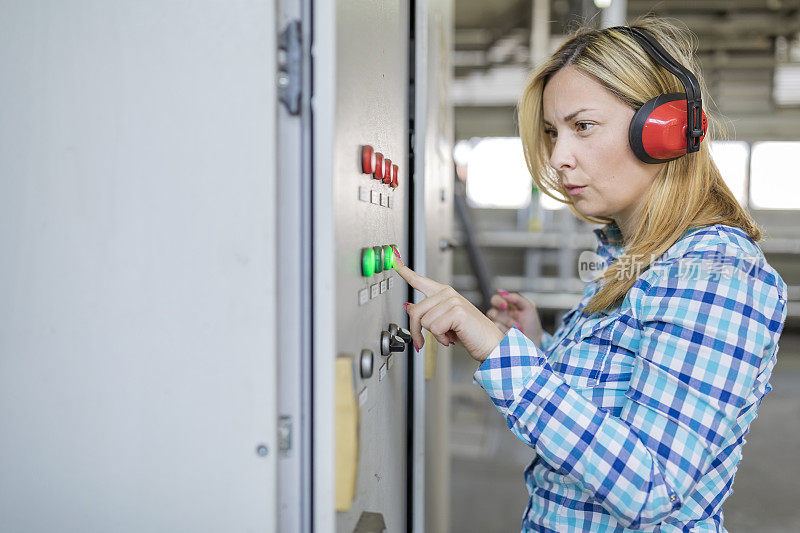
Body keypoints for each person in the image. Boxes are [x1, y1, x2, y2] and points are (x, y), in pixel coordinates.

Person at [391, 16, 788, 532]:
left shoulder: (716, 273)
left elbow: (651, 487)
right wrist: (537, 348)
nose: (558, 157)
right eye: (554, 133)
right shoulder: (635, 259)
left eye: (583, 126)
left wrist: (498, 351)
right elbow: (618, 401)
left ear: (664, 130)